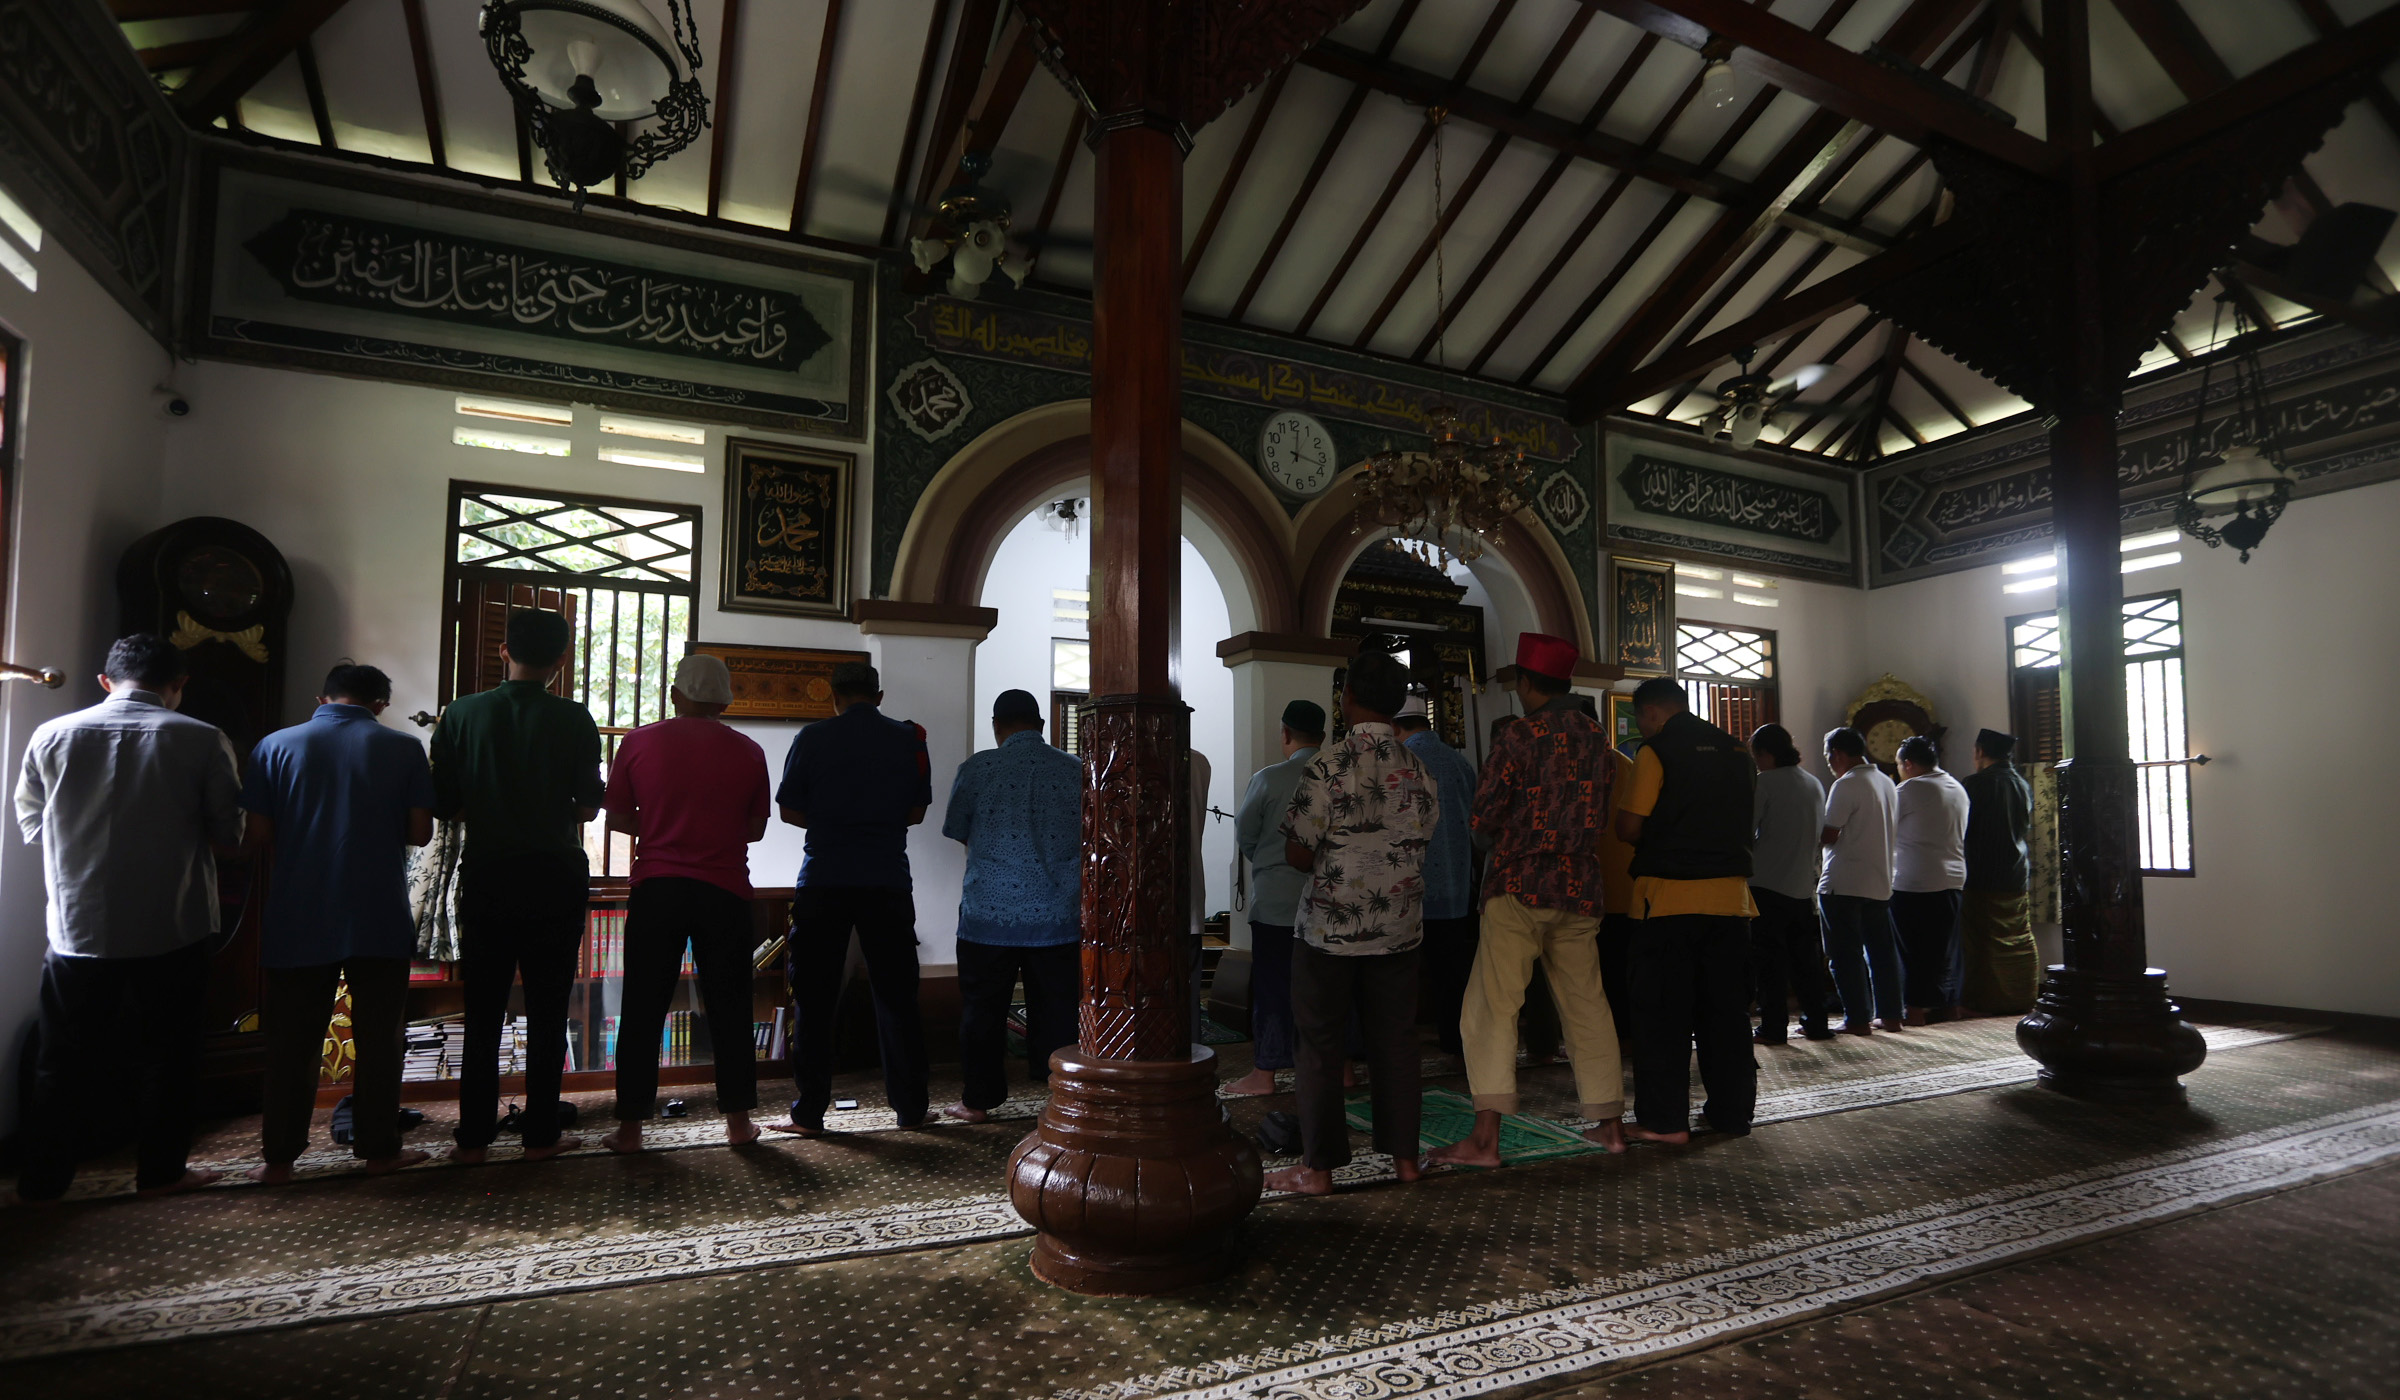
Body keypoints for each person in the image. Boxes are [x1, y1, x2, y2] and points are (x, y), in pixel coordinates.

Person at [11, 635, 242, 1202]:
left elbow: (32, 824)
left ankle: (42, 1182)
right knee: (171, 1057)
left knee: (59, 1060)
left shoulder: (51, 735)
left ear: (105, 681)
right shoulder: (203, 738)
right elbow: (229, 835)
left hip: (78, 929)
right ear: (178, 686)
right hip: (173, 925)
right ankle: (161, 1173)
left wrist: (78, 849)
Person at [1430, 633, 1626, 1168]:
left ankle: (1485, 1141)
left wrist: (1493, 837)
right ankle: (1610, 1128)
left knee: (1492, 1009)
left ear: (1526, 682)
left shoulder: (1519, 736)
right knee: (1587, 1007)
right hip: (1581, 888)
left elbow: (1483, 819)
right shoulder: (1597, 738)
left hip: (1519, 886)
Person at [241, 662, 436, 1184]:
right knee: (380, 1040)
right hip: (377, 914)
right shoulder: (403, 748)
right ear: (379, 705)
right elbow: (420, 832)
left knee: (291, 1043)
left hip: (299, 914)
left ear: (323, 697)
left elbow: (256, 833)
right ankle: (379, 1150)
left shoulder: (275, 746)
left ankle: (279, 1160)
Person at [430, 608, 604, 1163]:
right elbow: (587, 805)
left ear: (503, 652)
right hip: (554, 876)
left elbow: (445, 803)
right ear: (561, 660)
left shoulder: (460, 714)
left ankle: (474, 1137)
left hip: (487, 874)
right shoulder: (575, 719)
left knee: (482, 1008)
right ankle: (540, 1135)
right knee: (551, 1006)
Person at [1266, 652, 1436, 1195]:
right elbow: (1422, 839)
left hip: (1328, 935)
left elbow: (1298, 853)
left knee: (1319, 1047)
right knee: (1396, 1044)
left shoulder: (1329, 764)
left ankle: (1318, 1170)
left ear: (1348, 698)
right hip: (1399, 931)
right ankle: (1405, 1161)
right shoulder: (1418, 769)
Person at [599, 654, 771, 1154]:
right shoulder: (749, 750)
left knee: (643, 1006)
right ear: (723, 701)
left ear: (675, 695)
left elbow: (615, 819)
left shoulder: (638, 741)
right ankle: (738, 1123)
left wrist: (659, 826)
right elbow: (756, 829)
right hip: (725, 891)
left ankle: (630, 1128)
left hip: (657, 887)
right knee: (731, 1005)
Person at [774, 660, 933, 1134]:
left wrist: (830, 827)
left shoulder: (812, 738)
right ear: (878, 696)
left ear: (834, 698)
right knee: (897, 994)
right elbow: (918, 812)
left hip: (824, 877)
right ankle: (911, 1109)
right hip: (886, 878)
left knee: (816, 995)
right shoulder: (909, 740)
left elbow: (788, 811)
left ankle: (809, 1112)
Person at [1616, 678, 1758, 1145]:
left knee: (1662, 1017)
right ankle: (1732, 1114)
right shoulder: (1739, 752)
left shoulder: (1655, 753)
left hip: (1669, 903)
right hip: (1732, 902)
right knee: (1726, 1015)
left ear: (1651, 713)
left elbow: (1631, 828)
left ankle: (1664, 1122)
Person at [940, 689, 1083, 1123]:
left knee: (983, 1011)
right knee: (1057, 1010)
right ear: (1040, 725)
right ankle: (1060, 1097)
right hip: (1057, 916)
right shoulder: (1076, 770)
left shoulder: (978, 768)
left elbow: (958, 830)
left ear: (996, 726)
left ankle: (978, 1101)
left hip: (988, 918)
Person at [1224, 700, 1325, 1097]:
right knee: (1329, 990)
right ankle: (1345, 1068)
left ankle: (1264, 1074)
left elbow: (1246, 834)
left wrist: (1268, 859)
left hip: (1276, 906)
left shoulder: (1268, 779)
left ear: (1285, 734)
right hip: (1328, 904)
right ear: (1322, 736)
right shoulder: (1337, 775)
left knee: (1273, 989)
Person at [1392, 694, 1477, 1060]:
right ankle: (1455, 1042)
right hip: (1458, 891)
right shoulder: (1460, 763)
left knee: (1401, 976)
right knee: (1454, 976)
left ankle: (1399, 1046)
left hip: (1410, 889)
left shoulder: (1400, 761)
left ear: (1397, 728)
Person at [1749, 723, 1832, 1044]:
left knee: (1770, 963)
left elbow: (1747, 830)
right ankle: (1817, 1023)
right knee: (1805, 961)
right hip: (1802, 885)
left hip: (1767, 883)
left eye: (1757, 755)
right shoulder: (1813, 783)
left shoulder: (1765, 783)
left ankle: (1773, 1028)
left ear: (1766, 753)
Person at [1819, 727, 1901, 1036]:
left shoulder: (1846, 784)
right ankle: (1891, 1016)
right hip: (1879, 881)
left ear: (1837, 754)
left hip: (1844, 882)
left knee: (1845, 954)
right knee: (1881, 953)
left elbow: (1829, 834)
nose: (1829, 762)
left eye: (1828, 756)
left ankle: (1857, 1019)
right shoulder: (1886, 782)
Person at [1891, 735, 1970, 1025]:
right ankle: (1950, 1007)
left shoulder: (1910, 789)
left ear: (1908, 764)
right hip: (1953, 878)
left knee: (1913, 951)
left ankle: (1914, 1012)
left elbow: (1887, 828)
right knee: (1945, 950)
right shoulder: (1956, 787)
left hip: (1916, 880)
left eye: (1899, 765)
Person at [1960, 728, 2040, 1015]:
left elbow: (1963, 830)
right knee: (2017, 936)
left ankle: (1983, 1001)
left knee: (1981, 942)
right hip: (2016, 871)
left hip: (1982, 873)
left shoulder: (1976, 784)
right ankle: (2023, 995)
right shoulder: (2021, 783)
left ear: (1980, 752)